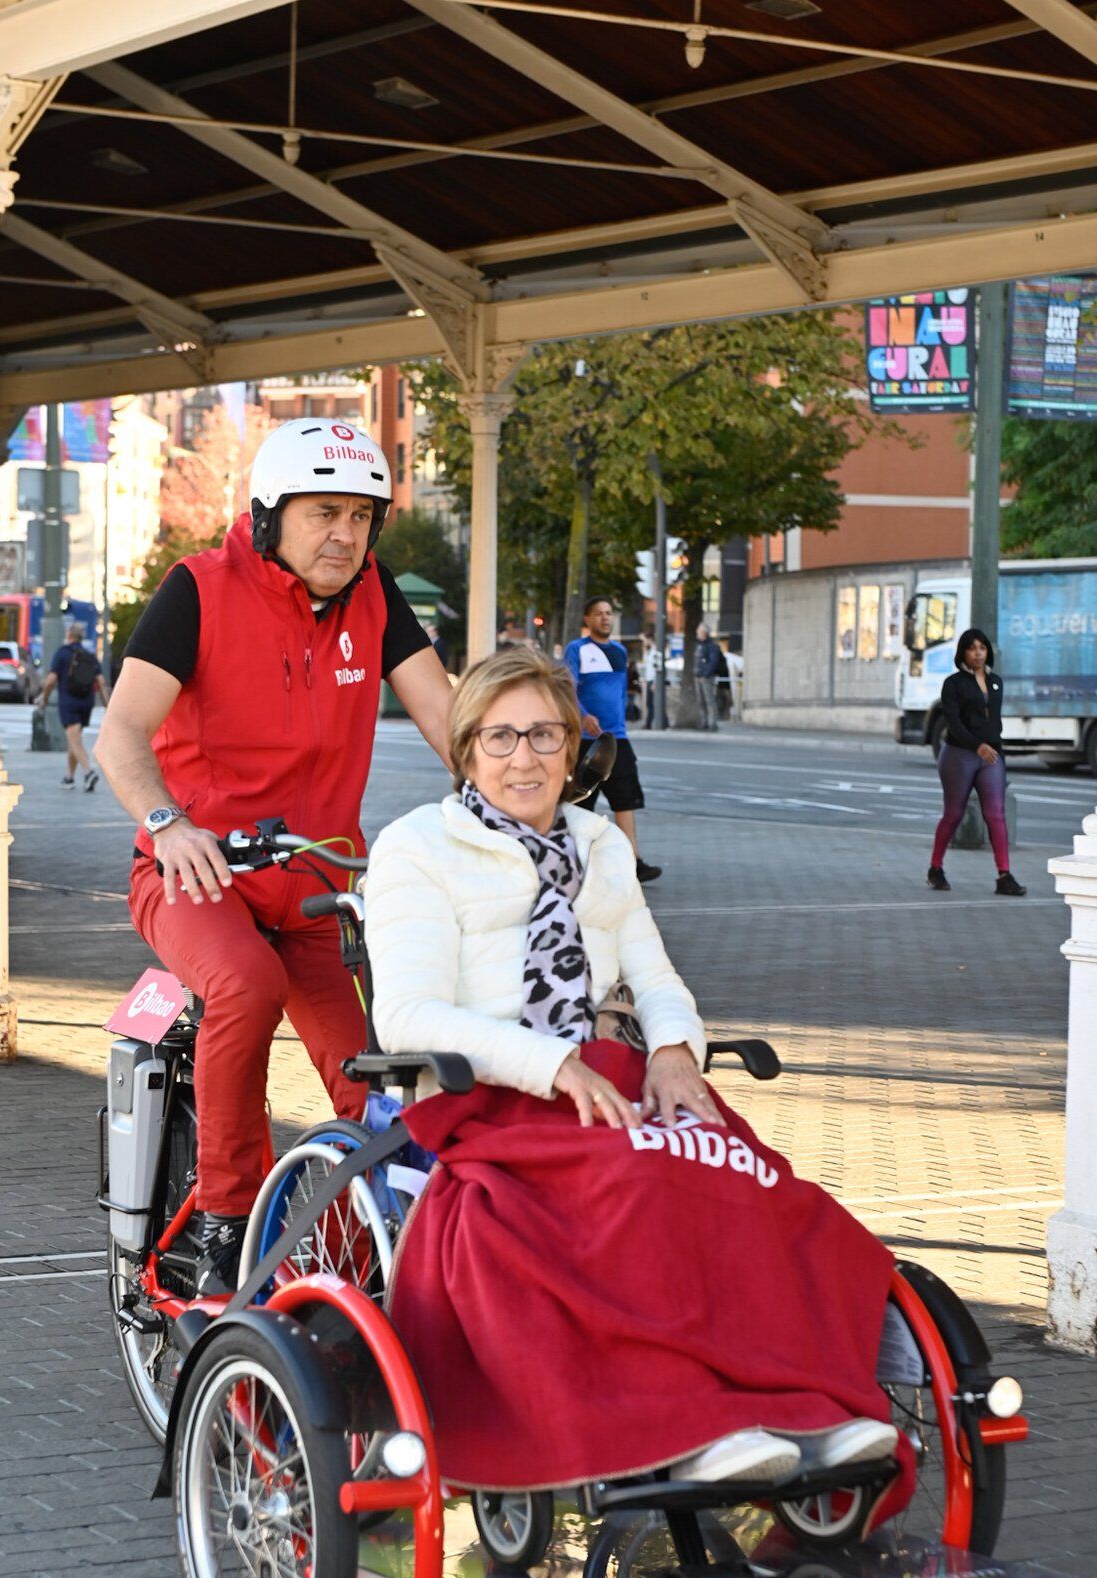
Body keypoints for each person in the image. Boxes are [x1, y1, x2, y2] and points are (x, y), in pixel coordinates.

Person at [363, 646, 901, 1497]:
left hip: (612, 1075)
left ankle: (809, 1403)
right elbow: (409, 1017)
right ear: (465, 749)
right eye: (500, 738)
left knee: (758, 1184)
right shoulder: (418, 847)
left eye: (544, 735)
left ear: (573, 750)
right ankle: (692, 1424)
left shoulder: (600, 845)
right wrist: (556, 1065)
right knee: (637, 1181)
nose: (524, 758)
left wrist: (676, 1050)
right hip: (488, 1095)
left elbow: (651, 974)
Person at [95, 419, 454, 1293]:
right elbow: (122, 735)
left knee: (379, 1070)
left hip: (318, 881)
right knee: (243, 987)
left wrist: (520, 799)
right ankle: (224, 1216)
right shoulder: (199, 590)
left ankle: (356, 1258)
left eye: (362, 517)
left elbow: (448, 717)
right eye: (324, 512)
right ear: (269, 515)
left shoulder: (373, 595)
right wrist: (169, 822)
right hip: (196, 871)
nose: (346, 534)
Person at [564, 595, 662, 883]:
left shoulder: (619, 651)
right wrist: (583, 715)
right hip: (584, 739)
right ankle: (576, 860)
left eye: (609, 613)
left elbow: (619, 693)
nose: (605, 618)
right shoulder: (577, 649)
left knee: (625, 801)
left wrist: (620, 722)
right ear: (588, 619)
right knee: (581, 803)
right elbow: (567, 687)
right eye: (599, 613)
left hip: (617, 737)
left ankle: (632, 861)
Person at [927, 628, 1026, 896]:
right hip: (960, 755)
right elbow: (954, 723)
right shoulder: (953, 683)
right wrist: (976, 746)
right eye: (973, 648)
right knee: (954, 814)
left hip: (990, 755)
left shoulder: (996, 682)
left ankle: (1004, 875)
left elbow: (994, 723)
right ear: (963, 653)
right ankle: (935, 867)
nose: (978, 652)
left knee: (995, 814)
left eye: (982, 647)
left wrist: (996, 751)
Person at [39, 623, 104, 791]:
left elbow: (51, 681)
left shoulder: (62, 653)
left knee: (75, 740)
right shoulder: (89, 655)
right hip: (86, 701)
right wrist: (108, 705)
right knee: (74, 740)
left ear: (69, 635)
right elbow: (102, 682)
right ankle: (69, 777)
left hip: (69, 701)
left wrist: (44, 698)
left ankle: (89, 772)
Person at [694, 623, 724, 732]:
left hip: (707, 678)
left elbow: (713, 662)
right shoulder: (699, 645)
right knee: (700, 701)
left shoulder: (712, 646)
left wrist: (705, 674)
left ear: (704, 633)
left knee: (710, 701)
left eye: (699, 631)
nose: (697, 633)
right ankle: (704, 722)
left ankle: (713, 724)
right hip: (698, 677)